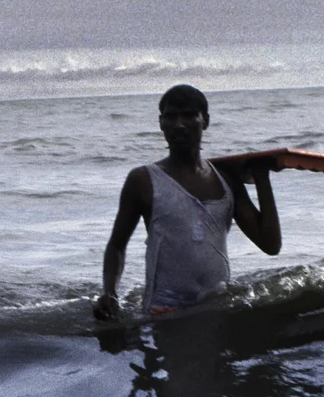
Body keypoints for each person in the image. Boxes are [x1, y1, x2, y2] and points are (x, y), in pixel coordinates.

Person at [93, 85, 282, 321]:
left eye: (189, 115)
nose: (179, 124)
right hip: (163, 313)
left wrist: (261, 174)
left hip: (218, 310)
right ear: (161, 123)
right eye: (171, 117)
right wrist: (110, 293)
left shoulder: (226, 181)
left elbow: (270, 244)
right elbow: (116, 246)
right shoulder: (143, 180)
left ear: (205, 121)